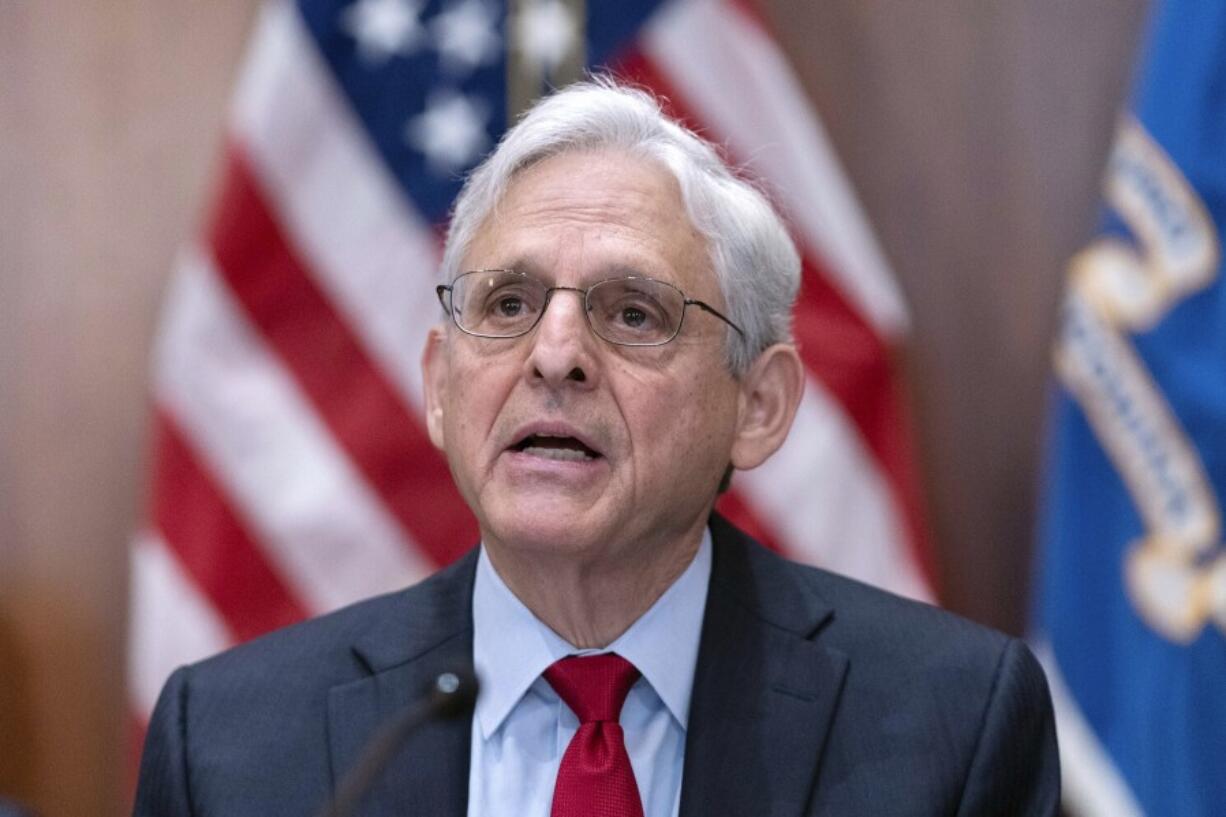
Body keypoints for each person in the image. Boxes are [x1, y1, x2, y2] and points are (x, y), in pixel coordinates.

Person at [134, 79, 1059, 816]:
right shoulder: (230, 744)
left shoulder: (952, 723)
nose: (556, 355)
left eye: (633, 313)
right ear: (439, 389)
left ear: (760, 404)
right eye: (506, 304)